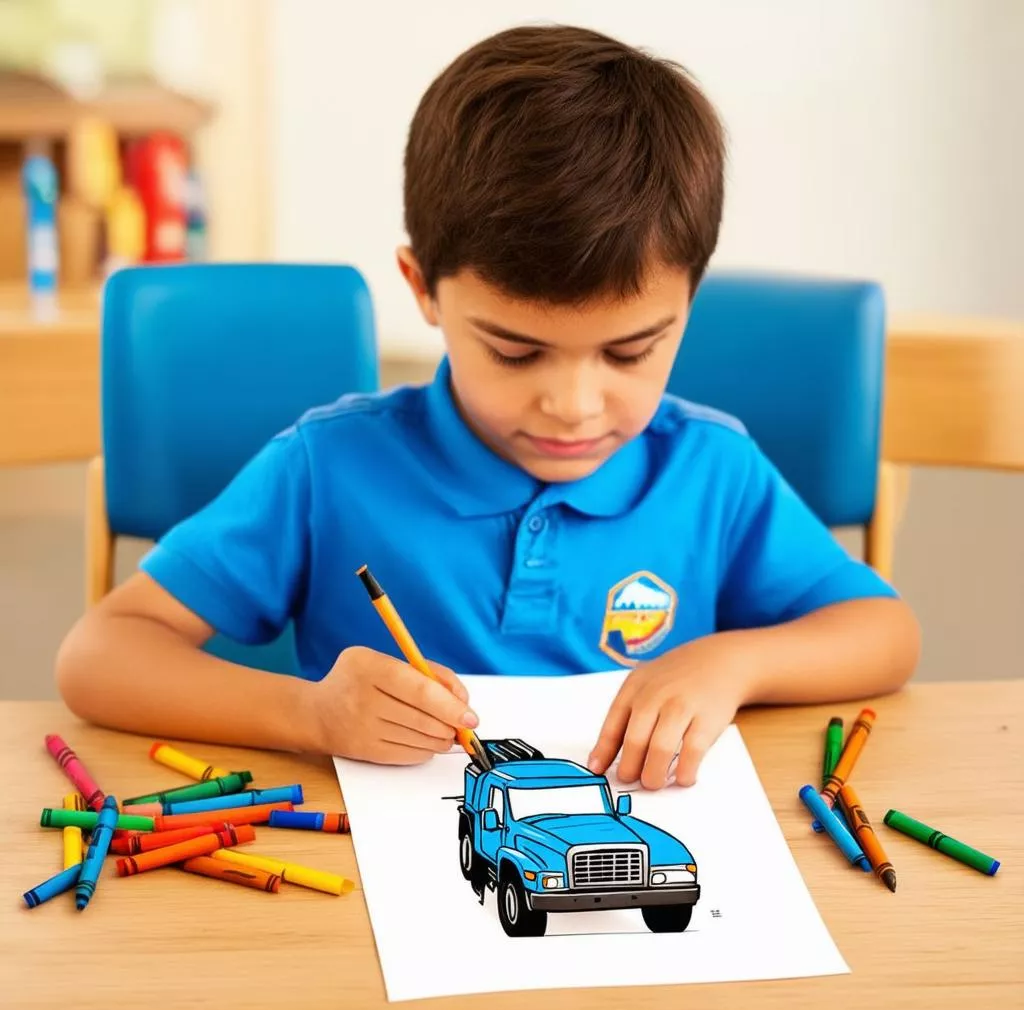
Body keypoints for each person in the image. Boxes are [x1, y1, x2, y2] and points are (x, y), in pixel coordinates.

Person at [56, 24, 919, 791]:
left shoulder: (710, 469)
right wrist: (310, 714)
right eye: (513, 350)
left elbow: (885, 633)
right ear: (421, 290)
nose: (574, 405)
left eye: (630, 351)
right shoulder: (329, 466)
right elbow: (99, 657)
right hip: (369, 907)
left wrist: (736, 661)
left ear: (688, 304)